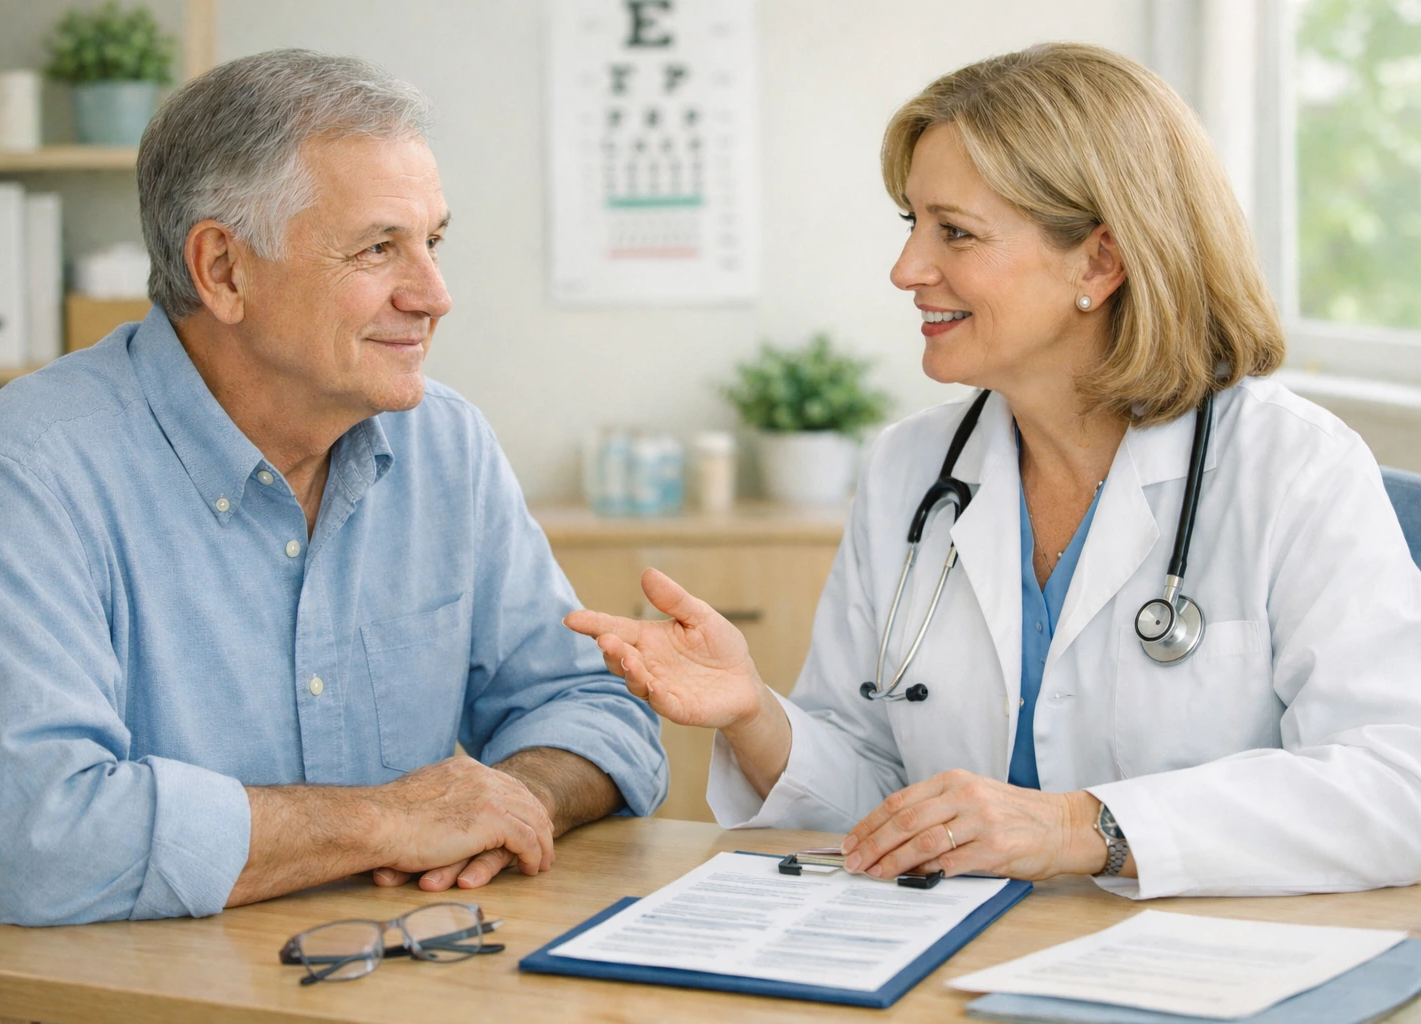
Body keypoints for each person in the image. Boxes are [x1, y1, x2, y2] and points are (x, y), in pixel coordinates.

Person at [0, 50, 666, 1022]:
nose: (434, 292)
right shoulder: (22, 472)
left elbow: (588, 700)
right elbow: (39, 837)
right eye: (379, 249)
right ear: (223, 270)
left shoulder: (444, 442)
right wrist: (389, 819)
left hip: (370, 984)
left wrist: (515, 801)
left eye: (433, 242)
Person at [569, 43, 1421, 899]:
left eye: (956, 233)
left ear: (1099, 261)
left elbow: (1399, 785)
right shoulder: (913, 469)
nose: (907, 270)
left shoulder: (1292, 467)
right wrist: (754, 712)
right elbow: (877, 800)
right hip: (949, 964)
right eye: (912, 224)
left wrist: (1083, 829)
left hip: (1201, 972)